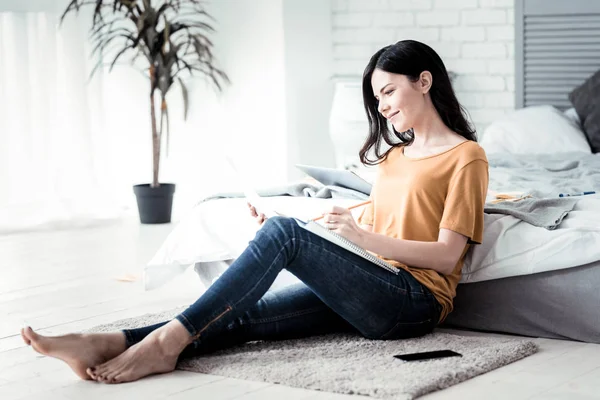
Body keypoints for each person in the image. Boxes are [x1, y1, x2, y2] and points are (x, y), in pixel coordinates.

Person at [20, 40, 488, 384]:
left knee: (286, 235)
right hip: (371, 282)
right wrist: (315, 235)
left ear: (423, 82)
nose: (383, 108)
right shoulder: (394, 157)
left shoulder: (466, 155)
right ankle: (114, 340)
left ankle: (165, 345)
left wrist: (345, 239)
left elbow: (448, 257)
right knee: (244, 315)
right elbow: (376, 223)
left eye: (388, 92)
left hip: (414, 302)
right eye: (377, 98)